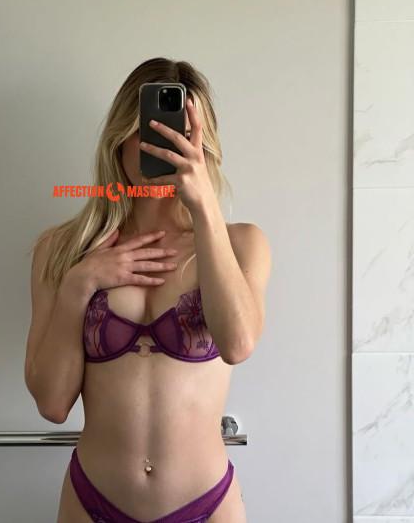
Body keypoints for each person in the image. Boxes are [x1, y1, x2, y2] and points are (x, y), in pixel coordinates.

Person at [25, 57, 272, 522]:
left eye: (179, 131)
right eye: (148, 129)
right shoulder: (61, 251)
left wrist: (203, 206)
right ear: (119, 138)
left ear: (203, 143)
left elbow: (238, 344)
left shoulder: (241, 243)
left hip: (207, 503)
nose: (163, 144)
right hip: (92, 501)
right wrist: (81, 284)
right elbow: (52, 405)